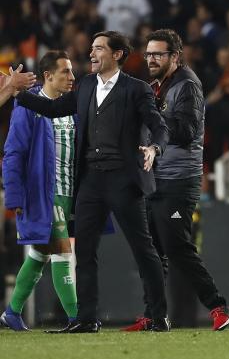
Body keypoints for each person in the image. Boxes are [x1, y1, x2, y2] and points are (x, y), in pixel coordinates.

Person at [14, 31, 170, 333]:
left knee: (142, 249)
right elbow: (52, 108)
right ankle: (86, 319)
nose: (92, 54)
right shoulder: (85, 86)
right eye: (92, 48)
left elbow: (159, 126)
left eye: (99, 49)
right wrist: (17, 93)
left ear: (117, 55)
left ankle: (158, 315)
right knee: (84, 252)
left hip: (125, 180)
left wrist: (154, 148)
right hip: (91, 182)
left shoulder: (136, 89)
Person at [122, 28, 229, 332]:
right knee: (153, 251)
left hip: (179, 178)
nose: (151, 59)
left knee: (176, 247)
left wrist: (152, 118)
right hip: (156, 176)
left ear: (175, 56)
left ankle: (219, 306)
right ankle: (155, 316)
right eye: (148, 54)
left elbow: (186, 131)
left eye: (158, 54)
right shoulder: (158, 86)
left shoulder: (187, 86)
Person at [0, 51, 77, 331]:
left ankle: (12, 311)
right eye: (65, 72)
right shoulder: (29, 106)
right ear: (48, 76)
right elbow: (13, 153)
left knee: (40, 255)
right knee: (62, 253)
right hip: (46, 193)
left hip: (70, 193)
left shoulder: (72, 106)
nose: (72, 77)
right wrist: (16, 195)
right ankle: (75, 318)